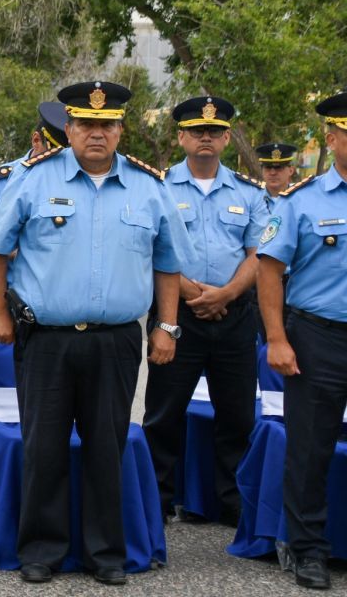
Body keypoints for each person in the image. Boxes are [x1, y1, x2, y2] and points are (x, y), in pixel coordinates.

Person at [0, 80, 190, 586]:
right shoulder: (33, 179)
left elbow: (167, 264)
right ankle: (41, 549)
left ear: (120, 130)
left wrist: (166, 327)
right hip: (46, 338)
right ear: (68, 129)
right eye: (86, 124)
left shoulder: (148, 186)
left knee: (107, 446)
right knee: (43, 447)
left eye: (107, 125)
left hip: (115, 340)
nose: (96, 133)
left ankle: (105, 554)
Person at [142, 97, 267, 527]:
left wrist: (227, 293)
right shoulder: (157, 187)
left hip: (234, 317)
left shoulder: (250, 192)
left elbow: (259, 254)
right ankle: (156, 500)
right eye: (197, 131)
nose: (206, 138)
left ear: (227, 138)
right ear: (181, 138)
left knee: (236, 416)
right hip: (178, 316)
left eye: (214, 132)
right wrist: (198, 293)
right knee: (164, 413)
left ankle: (233, 503)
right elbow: (152, 251)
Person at [257, 90, 347, 590]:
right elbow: (268, 270)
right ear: (332, 139)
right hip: (318, 337)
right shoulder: (301, 202)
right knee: (310, 450)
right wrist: (276, 338)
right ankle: (309, 548)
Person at [0, 102, 68, 294]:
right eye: (55, 154)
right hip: (9, 293)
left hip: (62, 295)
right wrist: (26, 253)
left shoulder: (79, 182)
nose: (63, 163)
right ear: (36, 140)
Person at [256, 142, 299, 211]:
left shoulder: (300, 198)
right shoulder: (253, 198)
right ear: (262, 170)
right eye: (268, 167)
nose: (272, 173)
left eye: (278, 168)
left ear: (291, 171)